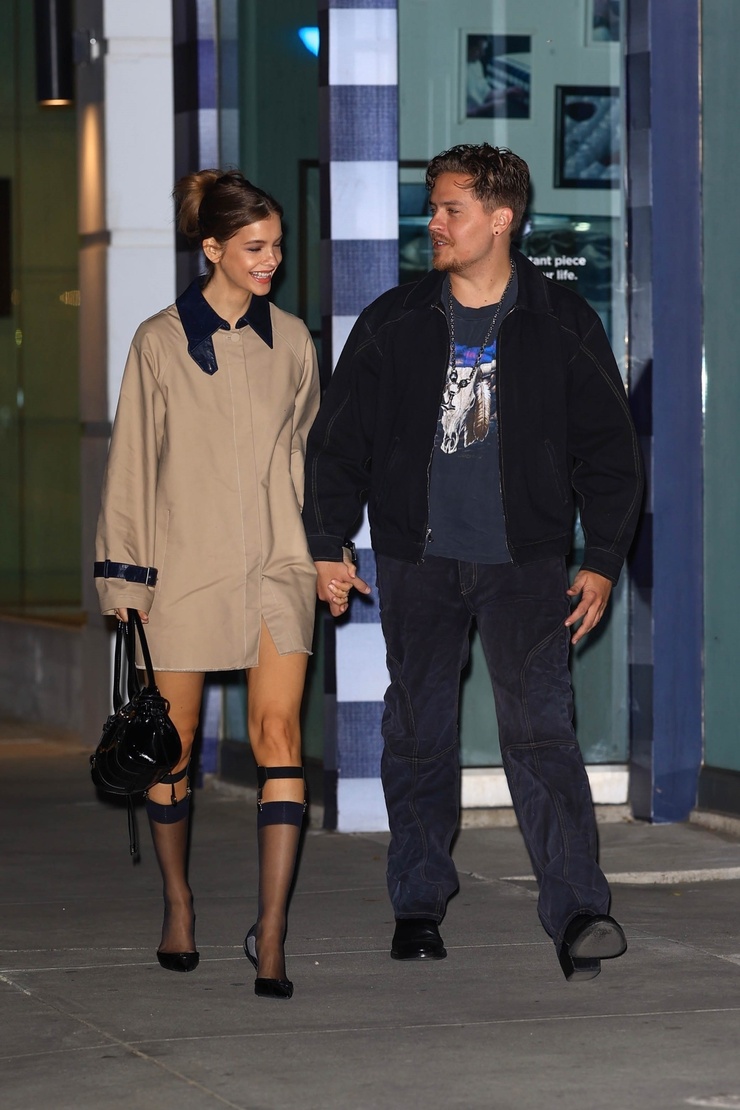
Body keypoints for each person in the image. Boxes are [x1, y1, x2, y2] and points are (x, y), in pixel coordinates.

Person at [302, 144, 643, 982]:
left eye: (450, 209)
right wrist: (328, 542)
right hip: (416, 560)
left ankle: (578, 912)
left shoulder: (561, 321)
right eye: (433, 208)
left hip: (526, 564)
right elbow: (338, 443)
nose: (435, 223)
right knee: (418, 733)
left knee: (542, 735)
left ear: (500, 218)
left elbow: (610, 453)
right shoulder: (395, 320)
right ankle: (418, 903)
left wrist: (602, 559)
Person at [94, 170, 320, 1000]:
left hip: (276, 567)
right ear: (213, 248)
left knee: (279, 735)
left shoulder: (293, 341)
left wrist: (321, 554)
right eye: (255, 247)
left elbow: (302, 458)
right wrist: (125, 579)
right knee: (175, 741)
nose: (272, 260)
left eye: (278, 246)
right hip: (182, 568)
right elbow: (131, 464)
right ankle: (178, 902)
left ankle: (273, 933)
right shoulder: (158, 341)